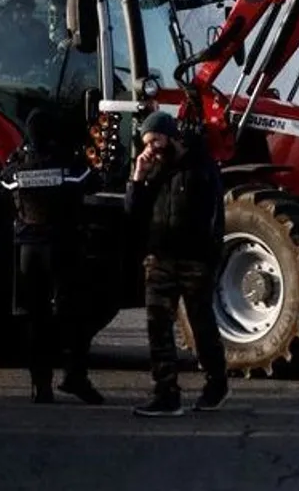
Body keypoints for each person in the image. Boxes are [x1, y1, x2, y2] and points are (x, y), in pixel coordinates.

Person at [125, 110, 229, 417]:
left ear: (170, 136)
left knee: (201, 324)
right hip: (159, 259)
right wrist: (138, 177)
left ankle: (216, 383)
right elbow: (134, 214)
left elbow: (215, 218)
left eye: (155, 140)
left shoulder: (201, 168)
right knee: (158, 325)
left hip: (194, 259)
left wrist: (210, 259)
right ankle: (166, 392)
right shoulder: (154, 170)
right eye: (146, 143)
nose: (152, 148)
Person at [0, 108, 104, 405]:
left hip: (29, 251)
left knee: (37, 319)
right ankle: (76, 377)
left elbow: (2, 184)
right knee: (74, 316)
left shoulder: (18, 169)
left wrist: (18, 155)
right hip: (63, 247)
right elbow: (93, 181)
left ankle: (40, 386)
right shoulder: (68, 165)